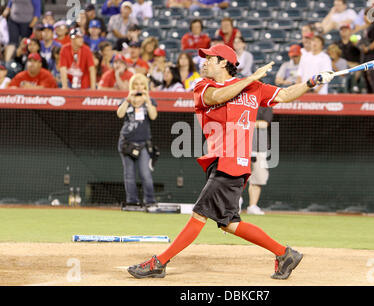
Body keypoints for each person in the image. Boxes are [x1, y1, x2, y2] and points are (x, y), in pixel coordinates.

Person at [127, 43, 334, 280]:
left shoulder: (254, 87)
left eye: (209, 59)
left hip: (233, 163)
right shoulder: (203, 86)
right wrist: (249, 80)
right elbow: (219, 95)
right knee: (229, 223)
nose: (203, 62)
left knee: (199, 215)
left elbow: (285, 94)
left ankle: (160, 262)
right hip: (219, 160)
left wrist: (311, 83)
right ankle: (285, 254)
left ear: (224, 63)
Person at [116, 73, 158, 207]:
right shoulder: (126, 100)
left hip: (143, 144)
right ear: (131, 86)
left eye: (141, 84)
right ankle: (132, 202)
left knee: (145, 174)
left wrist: (147, 101)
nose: (139, 87)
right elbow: (119, 114)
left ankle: (150, 201)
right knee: (129, 174)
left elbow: (153, 116)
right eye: (136, 85)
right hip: (126, 143)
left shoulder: (149, 101)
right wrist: (128, 100)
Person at [246, 106, 273, 215]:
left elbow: (264, 124)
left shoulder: (266, 105)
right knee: (236, 179)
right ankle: (235, 204)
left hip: (259, 149)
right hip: (241, 147)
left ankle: (252, 206)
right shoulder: (243, 102)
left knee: (257, 179)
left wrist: (248, 123)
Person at [358, 7, 374, 93]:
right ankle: (370, 97)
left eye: (366, 15)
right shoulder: (365, 28)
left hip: (372, 58)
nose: (364, 17)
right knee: (367, 80)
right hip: (365, 58)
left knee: (372, 78)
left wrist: (367, 48)